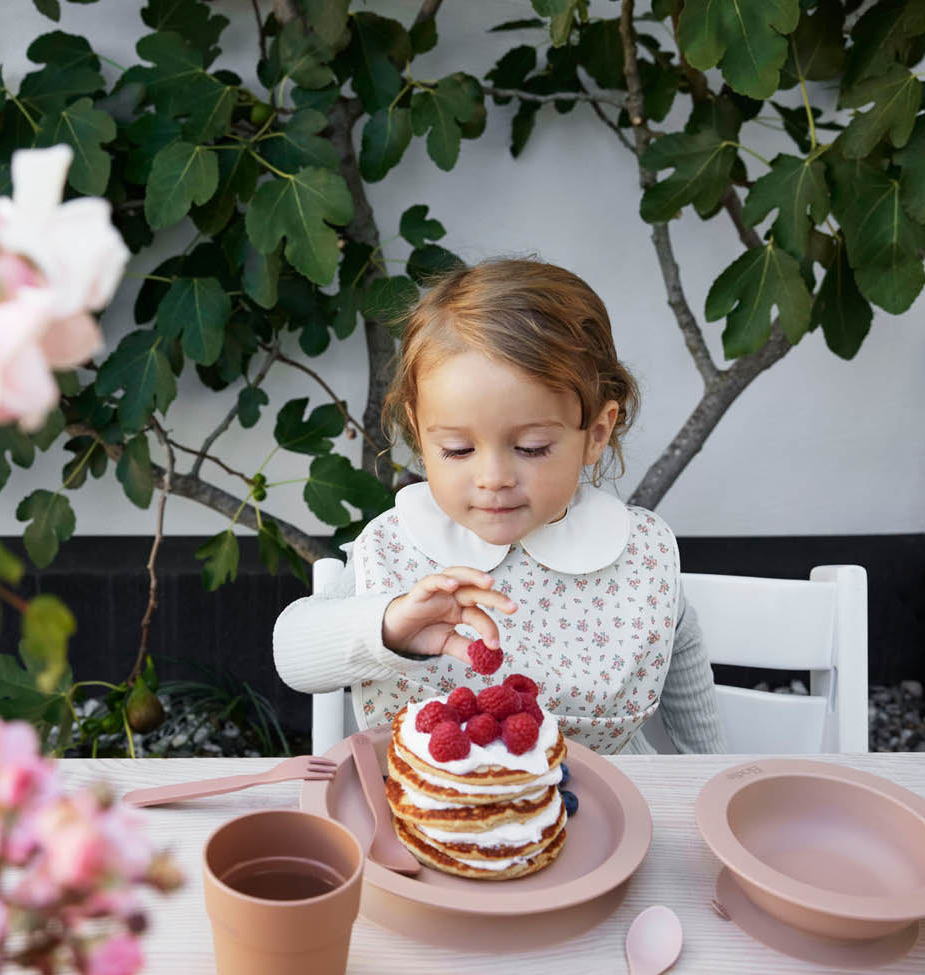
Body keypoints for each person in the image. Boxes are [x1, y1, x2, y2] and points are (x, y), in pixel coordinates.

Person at [274, 258, 725, 754]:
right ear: (420, 434)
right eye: (458, 450)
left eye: (531, 447)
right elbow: (293, 655)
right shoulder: (397, 547)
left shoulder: (638, 557)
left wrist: (711, 782)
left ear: (595, 434)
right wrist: (391, 624)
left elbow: (683, 679)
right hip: (424, 816)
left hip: (608, 819)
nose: (493, 479)